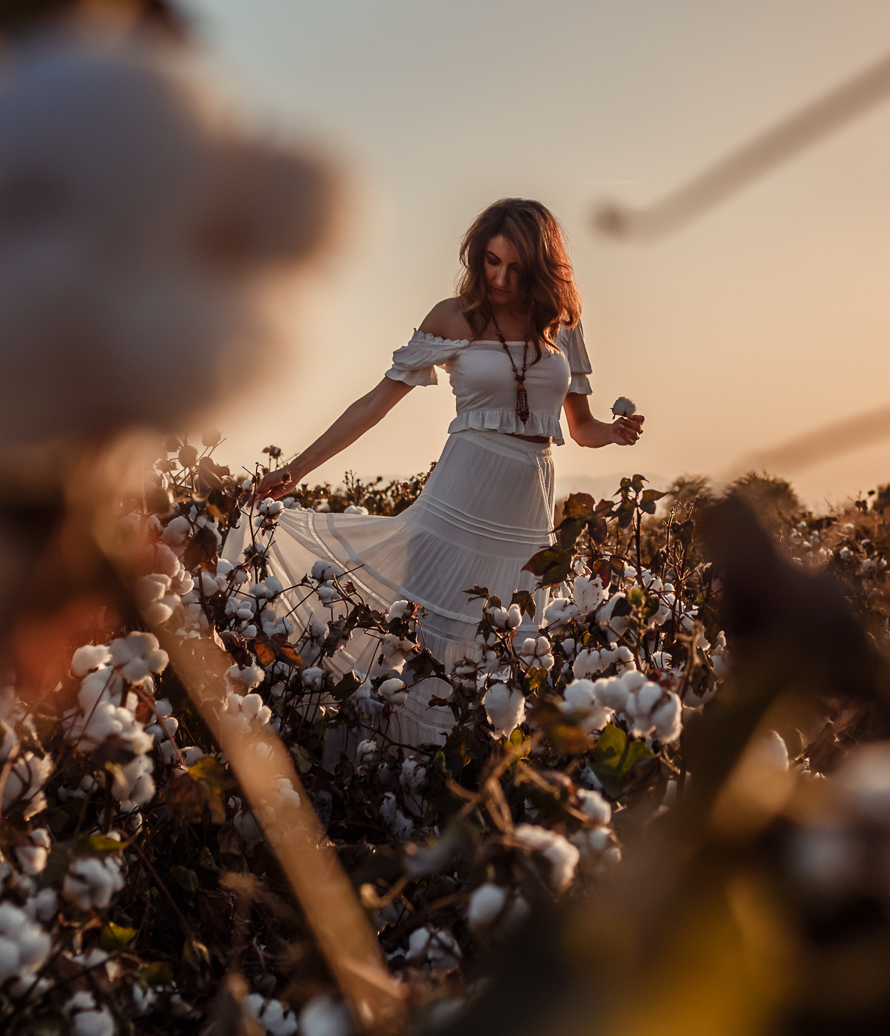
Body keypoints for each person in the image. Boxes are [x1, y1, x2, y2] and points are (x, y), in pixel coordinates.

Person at [234, 198, 643, 741]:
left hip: (527, 507)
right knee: (427, 638)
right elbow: (374, 404)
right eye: (492, 262)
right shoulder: (453, 317)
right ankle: (406, 769)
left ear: (540, 266)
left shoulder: (561, 324)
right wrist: (296, 469)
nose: (500, 277)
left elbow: (582, 425)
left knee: (510, 643)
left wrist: (612, 436)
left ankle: (477, 774)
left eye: (516, 267)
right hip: (460, 495)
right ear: (478, 257)